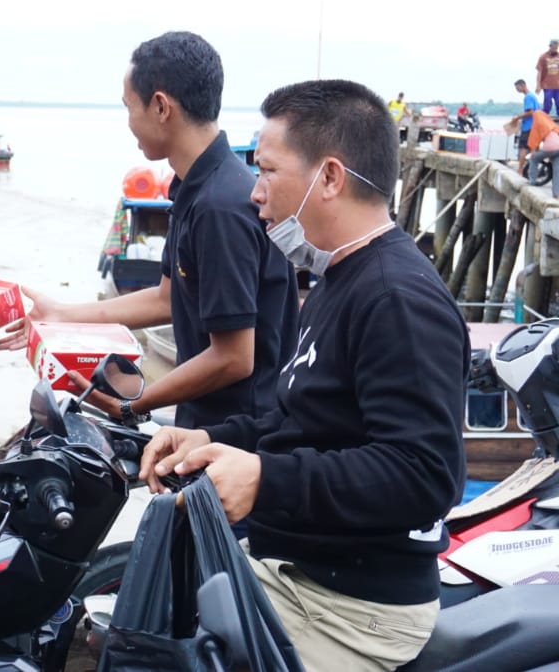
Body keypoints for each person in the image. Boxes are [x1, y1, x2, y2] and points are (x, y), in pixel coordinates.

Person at [139, 79, 467, 672]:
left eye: (266, 171)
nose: (256, 194)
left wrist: (266, 479)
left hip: (352, 605)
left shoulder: (396, 297)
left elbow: (425, 475)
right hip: (296, 568)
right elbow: (300, 419)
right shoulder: (335, 278)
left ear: (331, 178)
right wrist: (214, 441)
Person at [0, 32, 299, 434]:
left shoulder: (219, 207)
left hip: (240, 438)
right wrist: (64, 315)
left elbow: (234, 357)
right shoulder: (195, 187)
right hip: (206, 423)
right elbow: (168, 297)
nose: (128, 123)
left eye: (129, 108)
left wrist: (133, 405)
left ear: (160, 106)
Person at [507, 78, 540, 172]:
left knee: (523, 148)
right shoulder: (532, 96)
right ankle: (533, 171)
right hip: (534, 126)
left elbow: (530, 112)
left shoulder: (528, 97)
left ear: (522, 85)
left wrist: (517, 117)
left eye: (517, 88)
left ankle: (520, 170)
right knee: (533, 149)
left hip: (528, 127)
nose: (517, 90)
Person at [536, 38, 559, 115]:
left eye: (557, 47)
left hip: (557, 85)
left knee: (558, 102)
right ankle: (544, 116)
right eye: (554, 46)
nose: (555, 48)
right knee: (547, 102)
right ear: (550, 46)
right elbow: (539, 72)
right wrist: (538, 85)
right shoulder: (543, 57)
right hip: (547, 85)